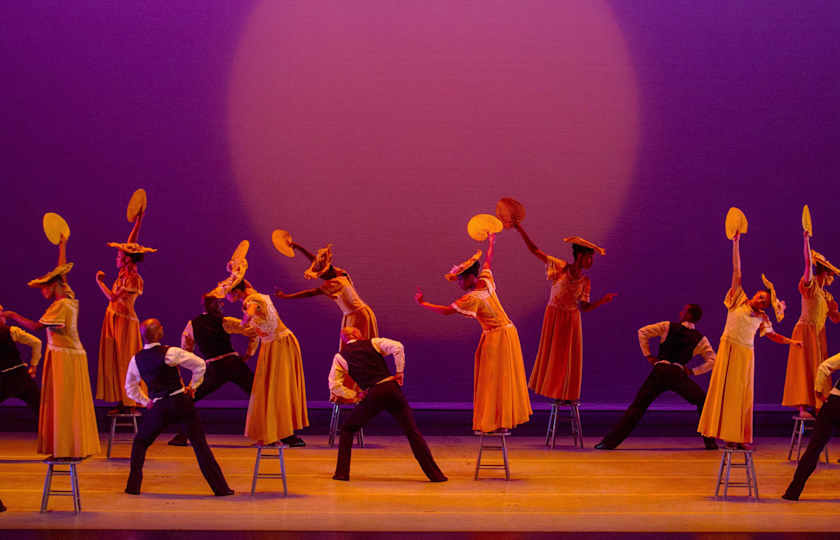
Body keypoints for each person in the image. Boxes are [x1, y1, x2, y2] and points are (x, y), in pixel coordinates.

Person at [415, 233, 532, 433]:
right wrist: (491, 242)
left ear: (470, 276)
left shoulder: (472, 298)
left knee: (493, 379)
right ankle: (499, 420)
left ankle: (495, 421)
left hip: (497, 337)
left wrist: (423, 303)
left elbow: (447, 311)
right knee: (500, 377)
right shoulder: (485, 280)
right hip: (507, 333)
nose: (459, 284)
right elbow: (488, 260)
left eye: (460, 279)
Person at [698, 232, 800, 447]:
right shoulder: (738, 300)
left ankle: (739, 437)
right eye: (761, 297)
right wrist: (736, 243)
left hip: (745, 355)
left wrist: (792, 342)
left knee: (742, 396)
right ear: (755, 294)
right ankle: (726, 435)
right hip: (729, 350)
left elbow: (773, 335)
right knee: (726, 393)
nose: (762, 301)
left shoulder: (763, 317)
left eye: (765, 302)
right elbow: (737, 271)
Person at [4, 234, 100, 458]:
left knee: (63, 401)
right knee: (65, 401)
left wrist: (12, 315)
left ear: (54, 285)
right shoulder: (67, 296)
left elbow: (36, 327)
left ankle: (66, 447)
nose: (42, 292)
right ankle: (67, 446)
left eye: (44, 288)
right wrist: (62, 246)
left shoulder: (61, 306)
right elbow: (62, 272)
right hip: (68, 354)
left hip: (65, 357)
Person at [124, 318, 233, 496]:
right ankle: (221, 489)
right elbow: (200, 364)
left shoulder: (136, 359)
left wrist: (145, 401)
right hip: (180, 401)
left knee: (140, 442)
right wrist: (193, 386)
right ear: (159, 332)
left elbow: (130, 387)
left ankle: (133, 487)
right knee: (200, 445)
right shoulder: (171, 352)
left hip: (159, 406)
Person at [214, 249, 308, 447]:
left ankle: (281, 433)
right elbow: (246, 285)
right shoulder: (251, 292)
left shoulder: (253, 300)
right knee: (269, 389)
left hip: (279, 345)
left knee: (277, 389)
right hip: (273, 345)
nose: (226, 297)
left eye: (228, 293)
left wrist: (245, 318)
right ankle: (274, 432)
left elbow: (252, 309)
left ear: (236, 292)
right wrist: (236, 271)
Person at [513, 223, 616, 403]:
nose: (591, 262)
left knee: (569, 357)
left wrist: (602, 301)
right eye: (589, 258)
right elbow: (535, 250)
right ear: (580, 256)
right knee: (554, 354)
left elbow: (584, 307)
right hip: (554, 315)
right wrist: (519, 228)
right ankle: (553, 391)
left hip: (572, 318)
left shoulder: (585, 281)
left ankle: (566, 393)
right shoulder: (561, 267)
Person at [330, 327, 447, 482]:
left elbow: (334, 385)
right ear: (358, 334)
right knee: (412, 431)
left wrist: (355, 395)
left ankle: (342, 473)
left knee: (348, 429)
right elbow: (398, 346)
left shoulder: (340, 357)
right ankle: (436, 475)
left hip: (374, 393)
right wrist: (399, 372)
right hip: (391, 389)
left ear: (344, 339)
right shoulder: (374, 343)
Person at [595, 304, 718, 450]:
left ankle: (608, 442)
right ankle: (710, 442)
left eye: (683, 311)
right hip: (677, 374)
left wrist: (648, 355)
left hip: (660, 371)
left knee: (638, 406)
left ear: (688, 315)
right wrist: (693, 371)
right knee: (703, 401)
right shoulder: (700, 339)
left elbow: (642, 332)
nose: (680, 312)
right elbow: (713, 360)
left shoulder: (667, 326)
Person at [166, 294, 257, 446]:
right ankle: (280, 436)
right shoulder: (224, 321)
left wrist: (195, 366)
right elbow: (252, 331)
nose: (222, 305)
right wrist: (248, 354)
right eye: (219, 303)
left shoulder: (194, 324)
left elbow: (186, 349)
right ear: (210, 305)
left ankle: (182, 435)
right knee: (259, 395)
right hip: (230, 364)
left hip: (217, 367)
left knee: (191, 397)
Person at [96, 204, 156, 411]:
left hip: (125, 322)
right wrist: (138, 222)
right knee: (115, 360)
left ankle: (132, 401)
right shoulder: (124, 274)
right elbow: (131, 243)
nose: (116, 258)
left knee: (125, 360)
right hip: (114, 319)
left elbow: (113, 297)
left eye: (119, 256)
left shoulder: (133, 279)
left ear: (127, 259)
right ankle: (121, 400)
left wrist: (99, 282)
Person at [782, 231, 840, 418]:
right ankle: (802, 408)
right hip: (805, 331)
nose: (832, 278)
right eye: (831, 274)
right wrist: (806, 239)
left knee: (819, 368)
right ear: (825, 273)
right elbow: (808, 264)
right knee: (803, 366)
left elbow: (835, 318)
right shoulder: (811, 286)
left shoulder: (826, 295)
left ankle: (819, 404)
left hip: (818, 334)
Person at [275, 243, 378, 347]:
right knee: (353, 347)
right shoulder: (340, 273)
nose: (321, 278)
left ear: (328, 272)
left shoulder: (335, 283)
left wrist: (287, 296)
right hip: (356, 314)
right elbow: (317, 261)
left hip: (358, 316)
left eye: (322, 275)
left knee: (357, 347)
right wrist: (298, 247)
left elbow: (311, 293)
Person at [782, 351, 840, 500]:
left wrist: (818, 392)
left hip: (833, 402)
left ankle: (792, 492)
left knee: (813, 449)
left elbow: (824, 367)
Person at [0, 304, 42, 423]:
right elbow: (37, 343)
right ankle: (54, 432)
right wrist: (33, 365)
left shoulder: (10, 331)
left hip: (7, 378)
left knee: (40, 406)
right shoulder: (11, 331)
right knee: (41, 408)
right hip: (19, 377)